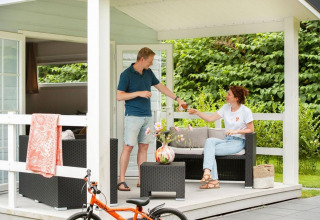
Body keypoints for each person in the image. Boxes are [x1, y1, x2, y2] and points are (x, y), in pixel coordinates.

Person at [117, 47, 186, 191]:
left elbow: (161, 87)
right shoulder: (126, 74)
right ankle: (121, 181)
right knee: (128, 147)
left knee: (144, 147)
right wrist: (139, 93)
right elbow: (119, 96)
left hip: (147, 116)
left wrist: (177, 99)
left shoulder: (148, 73)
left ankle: (142, 180)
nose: (152, 64)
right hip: (133, 116)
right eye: (150, 61)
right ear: (142, 59)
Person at [188, 85, 254, 189]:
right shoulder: (225, 108)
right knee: (210, 141)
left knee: (209, 150)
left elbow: (251, 129)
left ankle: (211, 178)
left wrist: (235, 131)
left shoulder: (245, 111)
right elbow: (210, 119)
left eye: (229, 94)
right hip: (227, 141)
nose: (226, 95)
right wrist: (197, 112)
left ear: (236, 98)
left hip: (238, 142)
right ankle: (208, 173)